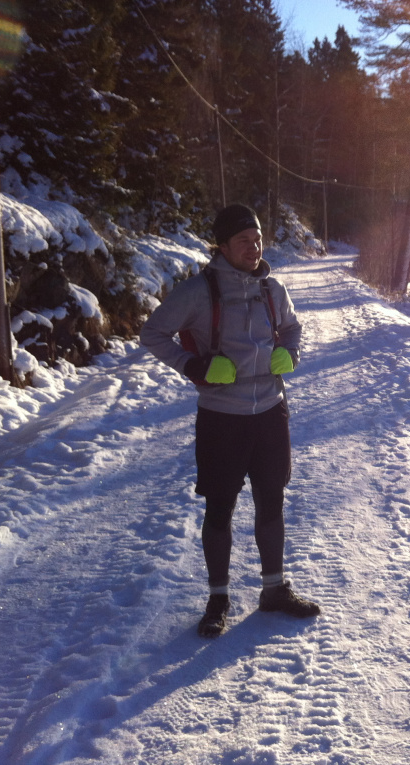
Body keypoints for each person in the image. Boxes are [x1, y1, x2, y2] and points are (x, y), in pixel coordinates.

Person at [140, 203, 320, 637]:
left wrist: (289, 354)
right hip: (222, 418)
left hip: (271, 413)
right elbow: (153, 334)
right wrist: (194, 367)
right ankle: (218, 597)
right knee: (220, 508)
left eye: (257, 239)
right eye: (243, 241)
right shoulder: (197, 292)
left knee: (271, 500)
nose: (253, 248)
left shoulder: (273, 290)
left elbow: (293, 329)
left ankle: (273, 590)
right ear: (222, 245)